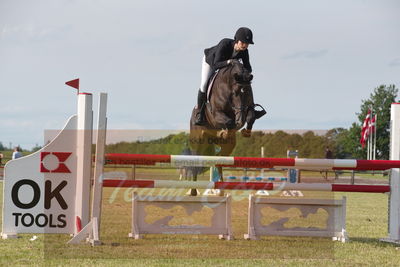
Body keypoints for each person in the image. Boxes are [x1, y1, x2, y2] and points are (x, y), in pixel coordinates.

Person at [195, 27, 254, 125]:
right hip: (211, 62)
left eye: (247, 44)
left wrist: (244, 72)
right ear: (237, 40)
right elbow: (216, 64)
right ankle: (199, 114)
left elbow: (248, 67)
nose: (245, 45)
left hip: (226, 68)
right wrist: (229, 61)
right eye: (243, 42)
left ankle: (251, 107)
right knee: (204, 84)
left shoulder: (245, 51)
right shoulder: (225, 43)